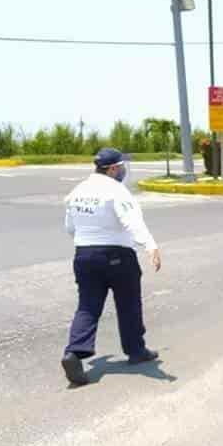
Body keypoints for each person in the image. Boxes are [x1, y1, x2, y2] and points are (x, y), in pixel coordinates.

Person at [61, 147, 162, 385]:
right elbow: (131, 221)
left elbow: (70, 228)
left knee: (87, 306)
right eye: (122, 166)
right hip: (117, 255)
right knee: (128, 304)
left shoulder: (77, 191)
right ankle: (136, 351)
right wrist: (151, 246)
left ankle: (74, 352)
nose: (124, 170)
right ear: (114, 169)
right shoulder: (117, 191)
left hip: (84, 255)